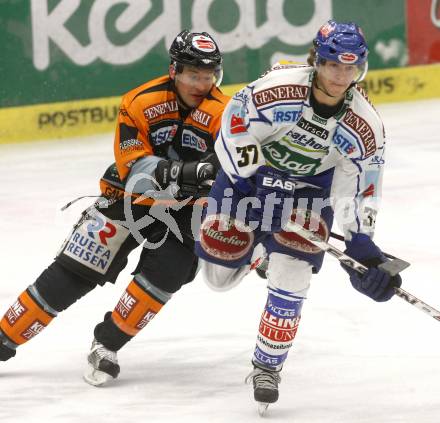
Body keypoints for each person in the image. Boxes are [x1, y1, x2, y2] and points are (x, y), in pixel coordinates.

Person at [0, 30, 230, 387]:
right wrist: (189, 171)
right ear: (174, 70)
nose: (202, 83)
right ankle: (4, 338)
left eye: (209, 74)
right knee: (72, 273)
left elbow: (234, 173)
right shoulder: (138, 102)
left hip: (185, 211)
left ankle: (106, 345)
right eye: (193, 74)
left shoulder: (224, 112)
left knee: (168, 272)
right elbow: (133, 167)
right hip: (127, 196)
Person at [194, 20, 403, 411]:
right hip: (248, 182)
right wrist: (251, 178)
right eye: (333, 66)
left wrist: (362, 246)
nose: (342, 77)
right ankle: (259, 254)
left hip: (308, 195)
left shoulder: (365, 126)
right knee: (218, 276)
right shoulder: (279, 88)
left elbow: (360, 186)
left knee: (292, 276)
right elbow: (235, 124)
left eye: (351, 67)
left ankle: (267, 367)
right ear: (317, 61)